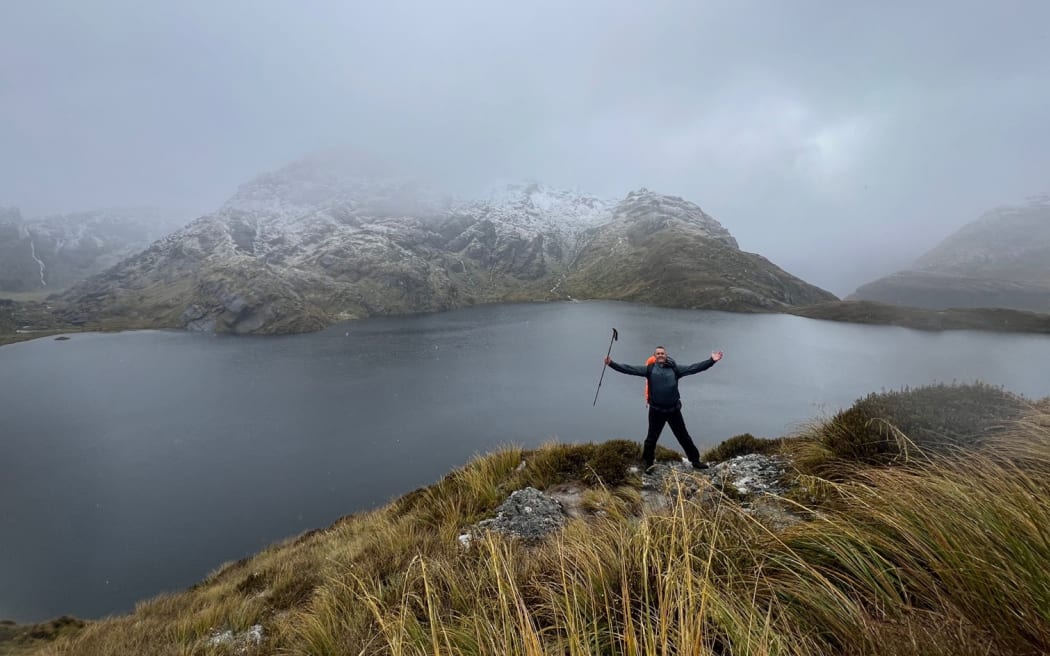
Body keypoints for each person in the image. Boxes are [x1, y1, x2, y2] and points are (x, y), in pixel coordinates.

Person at [604, 345, 723, 471]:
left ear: (666, 355)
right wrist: (611, 363)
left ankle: (695, 461)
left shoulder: (675, 369)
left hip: (673, 411)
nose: (660, 355)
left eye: (662, 353)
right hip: (656, 411)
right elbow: (629, 369)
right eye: (658, 353)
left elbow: (694, 368)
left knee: (684, 437)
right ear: (654, 357)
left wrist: (711, 360)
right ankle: (648, 463)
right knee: (651, 439)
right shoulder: (649, 369)